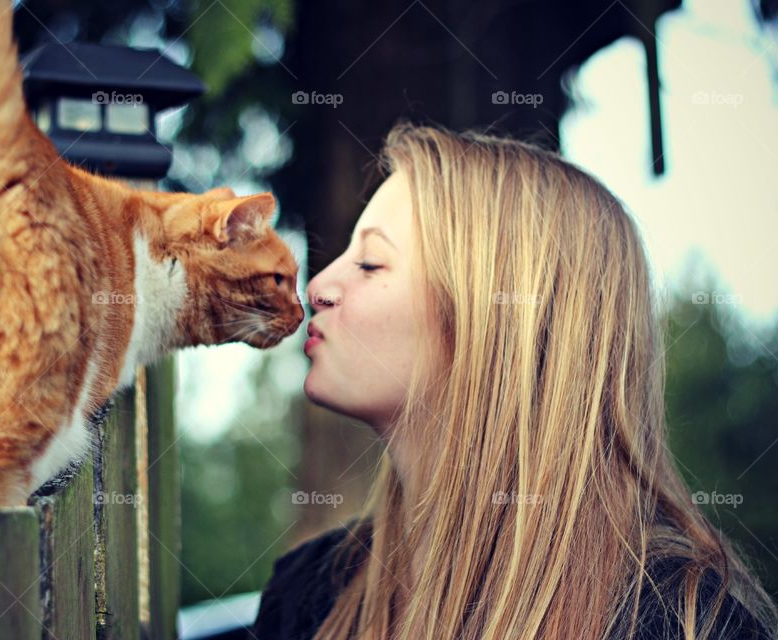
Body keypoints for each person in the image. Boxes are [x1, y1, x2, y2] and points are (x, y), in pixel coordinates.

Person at [252, 123, 778, 639]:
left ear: (497, 319)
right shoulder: (305, 596)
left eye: (369, 263)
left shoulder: (683, 622)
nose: (317, 286)